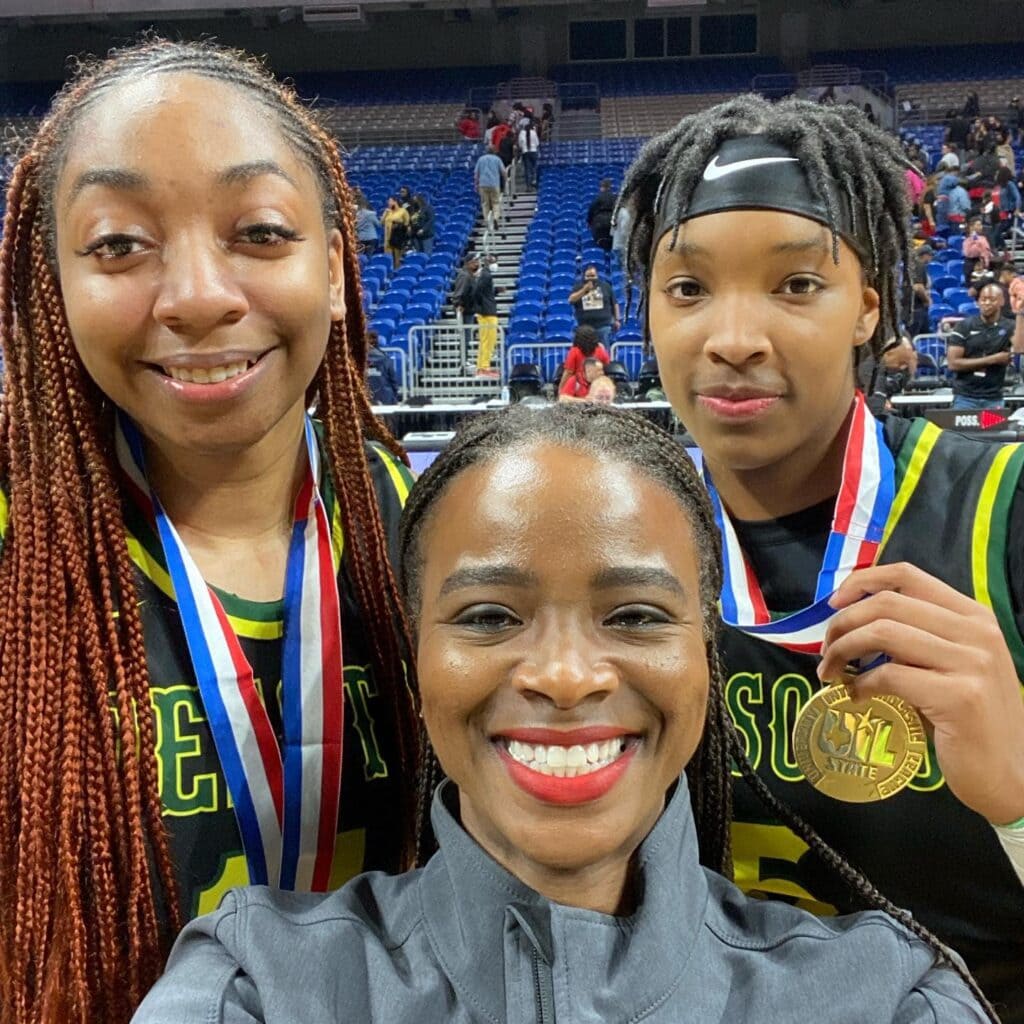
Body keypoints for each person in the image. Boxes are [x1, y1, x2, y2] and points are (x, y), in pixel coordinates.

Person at [133, 403, 993, 1024]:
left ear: (705, 655)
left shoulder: (883, 997)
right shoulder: (254, 988)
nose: (566, 676)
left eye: (636, 616)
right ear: (416, 656)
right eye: (488, 617)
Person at [0, 38, 422, 1024]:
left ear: (333, 266)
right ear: (50, 289)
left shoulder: (427, 528)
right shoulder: (20, 556)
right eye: (117, 245)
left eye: (261, 231)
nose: (195, 296)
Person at [618, 93, 1024, 1018]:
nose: (732, 339)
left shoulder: (1003, 511)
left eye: (796, 285)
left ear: (866, 308)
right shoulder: (619, 547)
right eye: (687, 289)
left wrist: (1018, 798)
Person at [947, 283, 1023, 409]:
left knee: (994, 429)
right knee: (963, 430)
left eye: (992, 299)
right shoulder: (964, 326)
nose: (986, 303)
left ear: (1002, 301)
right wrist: (994, 359)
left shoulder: (1009, 326)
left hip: (994, 399)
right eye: (983, 299)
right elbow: (953, 363)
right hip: (965, 398)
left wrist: (1020, 313)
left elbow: (1020, 348)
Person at [567, 263, 620, 345]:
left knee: (603, 353)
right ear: (584, 277)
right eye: (588, 276)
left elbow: (615, 304)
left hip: (603, 326)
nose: (590, 278)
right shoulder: (578, 287)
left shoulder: (605, 286)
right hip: (584, 328)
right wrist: (584, 290)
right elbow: (571, 300)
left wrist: (617, 320)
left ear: (597, 276)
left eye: (593, 275)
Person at [469, 252, 500, 378]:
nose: (495, 264)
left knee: (487, 341)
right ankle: (483, 368)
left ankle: (482, 367)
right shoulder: (486, 274)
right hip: (486, 313)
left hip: (486, 311)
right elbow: (476, 291)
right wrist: (480, 308)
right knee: (487, 341)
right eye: (493, 262)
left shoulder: (484, 274)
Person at [557, 323, 610, 396]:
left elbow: (568, 372)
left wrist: (561, 387)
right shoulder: (600, 349)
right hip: (596, 383)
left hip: (579, 384)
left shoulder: (574, 351)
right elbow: (606, 363)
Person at [474, 144, 506, 237]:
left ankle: (487, 222)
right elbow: (503, 171)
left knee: (485, 204)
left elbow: (476, 173)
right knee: (496, 203)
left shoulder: (481, 159)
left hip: (483, 184)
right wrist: (505, 180)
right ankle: (496, 218)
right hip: (494, 183)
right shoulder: (497, 159)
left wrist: (476, 184)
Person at [365, 330, 401, 405]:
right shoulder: (385, 358)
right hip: (386, 398)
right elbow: (393, 381)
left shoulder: (357, 360)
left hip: (366, 400)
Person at [587, 177, 617, 251]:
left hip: (599, 221)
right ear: (610, 187)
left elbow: (591, 209)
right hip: (611, 220)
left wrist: (589, 222)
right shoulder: (615, 197)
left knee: (599, 241)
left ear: (601, 187)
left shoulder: (598, 198)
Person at [381, 194, 410, 270]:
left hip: (397, 238)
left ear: (395, 201)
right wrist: (385, 213)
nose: (388, 202)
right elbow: (381, 223)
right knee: (388, 259)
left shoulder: (403, 211)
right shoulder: (389, 212)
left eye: (390, 201)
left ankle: (398, 272)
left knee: (397, 258)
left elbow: (407, 224)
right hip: (387, 238)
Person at [353, 189, 380, 255]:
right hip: (371, 238)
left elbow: (355, 227)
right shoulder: (371, 214)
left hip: (361, 238)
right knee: (369, 256)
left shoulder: (356, 215)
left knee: (361, 257)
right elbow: (378, 225)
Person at [517, 117, 540, 190]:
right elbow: (537, 143)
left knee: (527, 169)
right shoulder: (533, 132)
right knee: (535, 168)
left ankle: (528, 186)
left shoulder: (521, 133)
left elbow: (520, 144)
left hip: (525, 152)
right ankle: (535, 181)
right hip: (533, 151)